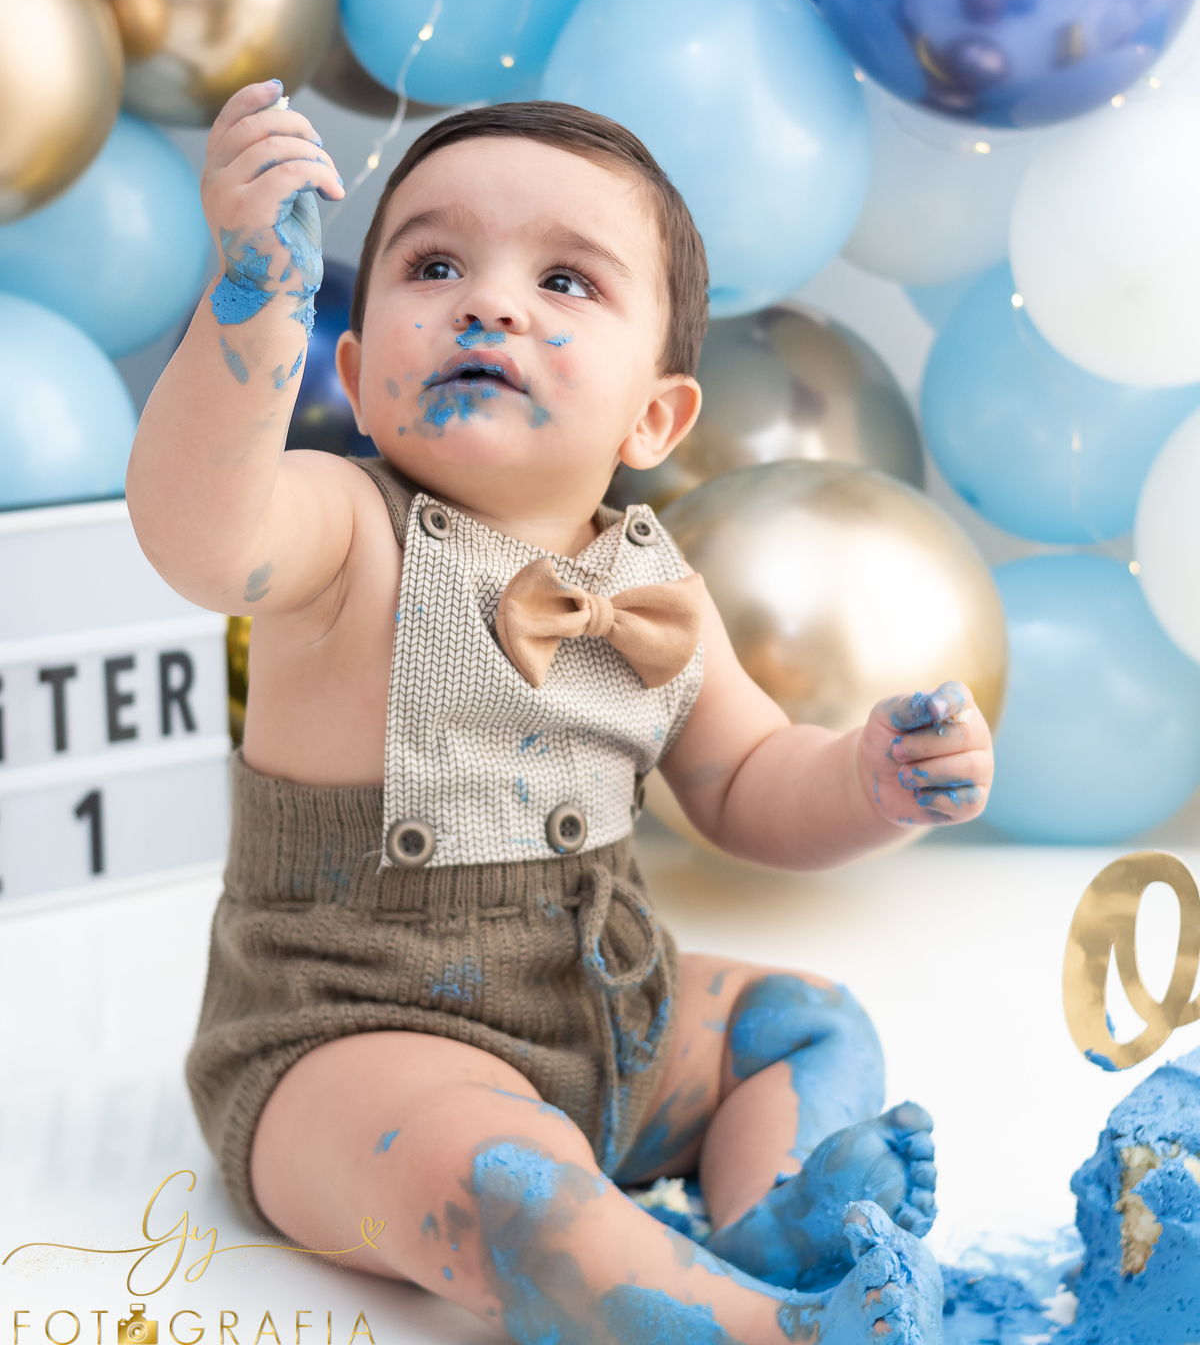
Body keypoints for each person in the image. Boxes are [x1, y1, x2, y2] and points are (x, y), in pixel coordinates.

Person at [127, 82, 995, 1344]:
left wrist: (865, 784)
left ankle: (767, 1223)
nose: (491, 301)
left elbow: (749, 777)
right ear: (360, 379)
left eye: (569, 282)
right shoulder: (339, 531)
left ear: (656, 414)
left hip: (611, 1016)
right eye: (432, 263)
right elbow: (199, 537)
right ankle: (773, 1330)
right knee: (513, 1183)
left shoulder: (656, 588)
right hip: (351, 1047)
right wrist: (253, 302)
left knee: (807, 1023)